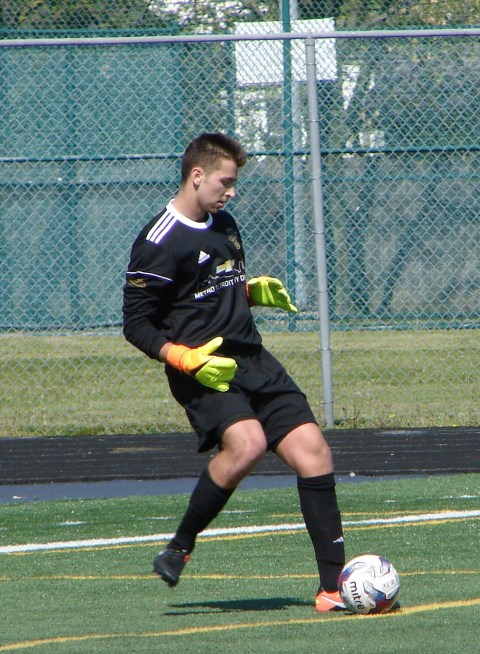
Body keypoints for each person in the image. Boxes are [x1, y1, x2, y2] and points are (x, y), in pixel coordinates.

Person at [122, 132, 347, 613]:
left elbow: (208, 289)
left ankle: (332, 590)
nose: (231, 191)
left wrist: (248, 292)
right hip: (203, 369)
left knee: (315, 451)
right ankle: (180, 546)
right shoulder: (158, 241)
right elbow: (136, 325)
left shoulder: (224, 223)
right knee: (247, 444)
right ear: (196, 175)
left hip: (252, 357)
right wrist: (185, 359)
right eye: (224, 181)